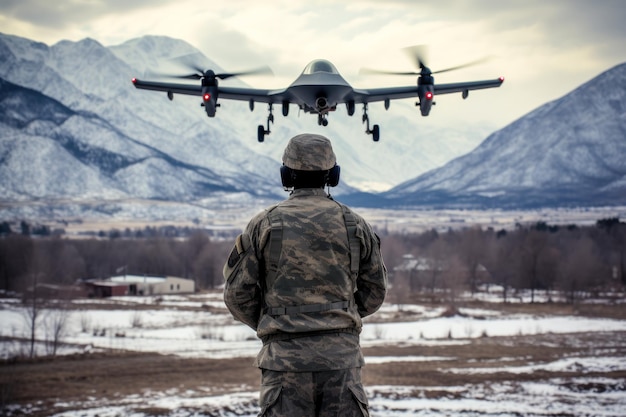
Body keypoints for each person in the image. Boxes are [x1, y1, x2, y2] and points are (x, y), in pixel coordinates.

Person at [223, 133, 387, 417]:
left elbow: (237, 295)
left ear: (286, 174)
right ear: (332, 175)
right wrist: (338, 319)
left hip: (284, 365)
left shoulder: (264, 224)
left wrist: (277, 323)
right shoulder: (355, 224)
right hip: (341, 364)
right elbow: (374, 292)